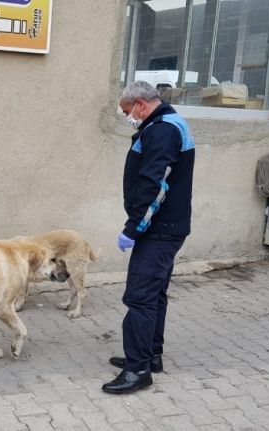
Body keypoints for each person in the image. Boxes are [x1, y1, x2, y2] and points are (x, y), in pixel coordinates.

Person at [102, 81, 194, 394]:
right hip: (166, 227)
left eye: (129, 112)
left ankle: (137, 368)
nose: (130, 118)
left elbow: (156, 185)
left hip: (158, 230)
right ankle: (151, 355)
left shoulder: (162, 130)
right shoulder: (166, 123)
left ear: (141, 104)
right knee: (154, 293)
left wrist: (133, 228)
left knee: (140, 297)